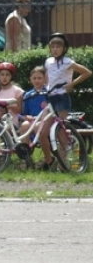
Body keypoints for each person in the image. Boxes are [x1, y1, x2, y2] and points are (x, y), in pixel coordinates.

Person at [39, 32, 91, 169]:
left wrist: (71, 84)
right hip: (51, 98)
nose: (55, 49)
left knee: (60, 131)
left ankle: (64, 165)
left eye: (58, 46)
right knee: (43, 133)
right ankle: (49, 161)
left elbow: (86, 72)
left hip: (62, 98)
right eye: (53, 46)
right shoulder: (48, 62)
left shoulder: (68, 62)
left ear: (64, 48)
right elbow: (47, 78)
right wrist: (44, 88)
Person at [18, 65, 47, 136]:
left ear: (45, 79)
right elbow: (23, 114)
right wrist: (26, 117)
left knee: (38, 126)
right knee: (24, 125)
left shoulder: (48, 93)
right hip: (32, 121)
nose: (37, 80)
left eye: (39, 78)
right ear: (30, 79)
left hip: (45, 121)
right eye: (34, 78)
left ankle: (45, 146)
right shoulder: (28, 95)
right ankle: (26, 146)